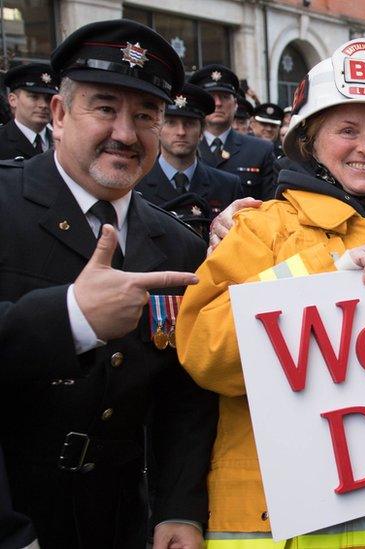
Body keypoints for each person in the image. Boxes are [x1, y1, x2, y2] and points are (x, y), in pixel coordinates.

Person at [176, 38, 365, 547]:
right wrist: (327, 271)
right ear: (311, 141)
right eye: (348, 130)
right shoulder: (258, 231)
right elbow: (206, 354)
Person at [0, 19, 217, 548]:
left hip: (123, 521)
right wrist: (69, 317)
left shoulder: (175, 242)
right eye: (105, 109)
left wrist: (179, 508)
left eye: (146, 116)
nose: (125, 133)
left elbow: (182, 398)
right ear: (58, 113)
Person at [136, 82, 243, 238]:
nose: (181, 132)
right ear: (158, 128)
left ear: (201, 132)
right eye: (171, 123)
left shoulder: (227, 186)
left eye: (189, 124)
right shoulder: (137, 183)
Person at [189, 64, 276, 199]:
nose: (217, 103)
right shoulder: (183, 147)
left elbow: (270, 206)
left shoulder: (260, 150)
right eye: (211, 96)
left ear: (235, 104)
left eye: (224, 97)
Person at [0, 63, 58, 160]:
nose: (43, 105)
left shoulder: (63, 142)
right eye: (34, 97)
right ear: (13, 100)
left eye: (48, 99)